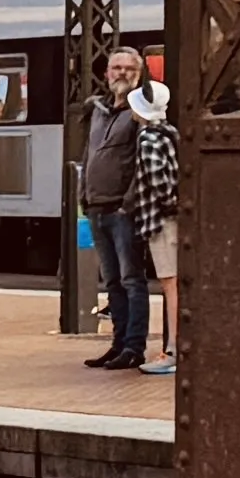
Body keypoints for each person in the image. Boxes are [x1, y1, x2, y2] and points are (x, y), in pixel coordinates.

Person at [86, 45, 173, 374]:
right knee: (111, 282)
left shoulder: (140, 113)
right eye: (115, 67)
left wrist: (128, 204)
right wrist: (85, 194)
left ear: (139, 75)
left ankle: (134, 347)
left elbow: (142, 164)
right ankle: (118, 343)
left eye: (128, 68)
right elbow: (90, 153)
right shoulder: (99, 111)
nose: (120, 73)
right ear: (107, 73)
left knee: (131, 280)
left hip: (122, 211)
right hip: (96, 207)